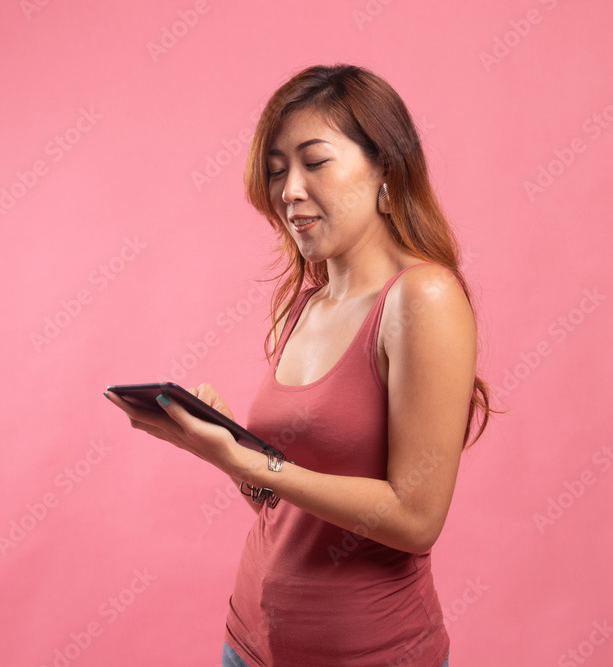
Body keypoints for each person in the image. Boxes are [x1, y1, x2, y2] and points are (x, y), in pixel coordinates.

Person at [105, 64, 497, 666]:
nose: (288, 190)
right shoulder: (308, 305)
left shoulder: (424, 298)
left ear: (386, 171)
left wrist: (254, 459)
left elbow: (415, 520)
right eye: (277, 170)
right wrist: (220, 448)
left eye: (315, 162)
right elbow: (285, 503)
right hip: (248, 647)